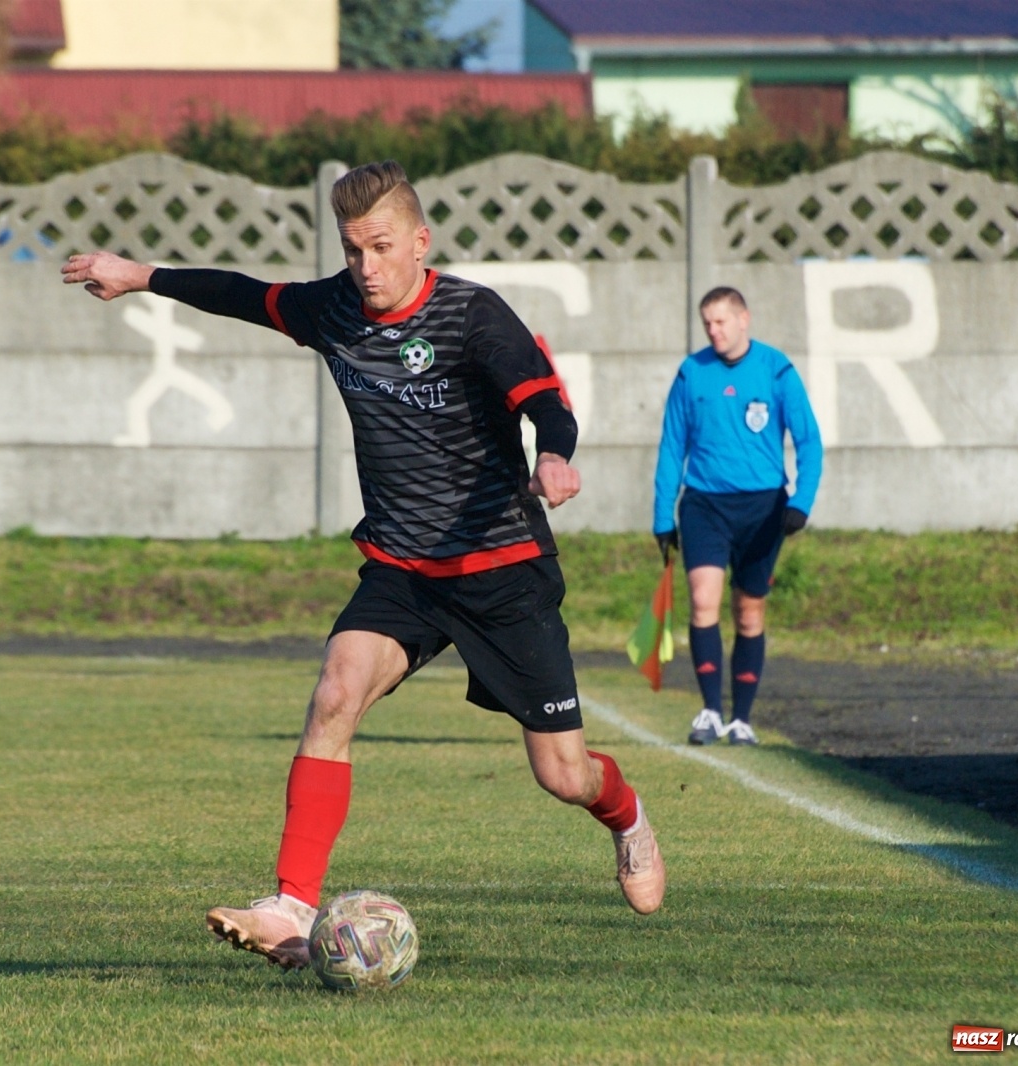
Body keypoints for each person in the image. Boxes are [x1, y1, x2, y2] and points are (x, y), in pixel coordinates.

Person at [62, 160, 666, 971]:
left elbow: (544, 401)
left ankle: (626, 819)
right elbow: (245, 293)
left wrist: (554, 458)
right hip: (403, 566)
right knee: (335, 693)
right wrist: (139, 276)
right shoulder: (335, 309)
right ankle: (289, 906)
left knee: (563, 775)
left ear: (421, 241)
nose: (366, 268)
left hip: (500, 565)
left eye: (381, 247)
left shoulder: (472, 316)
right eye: (352, 251)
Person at [652, 287, 822, 747]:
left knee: (749, 613)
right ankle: (709, 710)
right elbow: (672, 447)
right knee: (703, 600)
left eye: (721, 321)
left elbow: (809, 441)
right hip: (704, 504)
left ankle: (742, 719)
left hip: (763, 508)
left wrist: (800, 502)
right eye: (707, 323)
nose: (714, 330)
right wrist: (662, 515)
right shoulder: (692, 373)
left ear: (744, 318)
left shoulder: (777, 369)